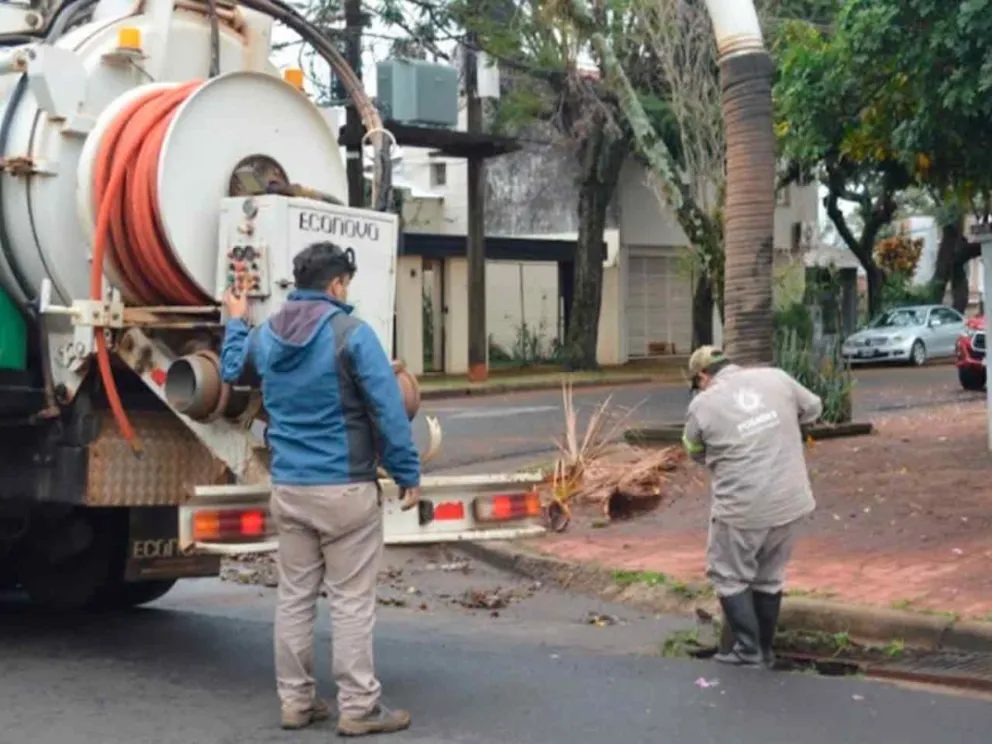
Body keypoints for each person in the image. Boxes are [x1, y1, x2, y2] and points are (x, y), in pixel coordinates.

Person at [220, 241, 420, 736]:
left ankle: (296, 702)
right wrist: (406, 471)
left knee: (294, 597)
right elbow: (388, 411)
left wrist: (235, 319)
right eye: (346, 283)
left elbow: (230, 371)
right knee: (351, 600)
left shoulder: (265, 336)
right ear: (336, 285)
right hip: (345, 490)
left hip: (289, 487)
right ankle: (358, 707)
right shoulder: (351, 335)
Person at [681, 346, 822, 668]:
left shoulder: (703, 404)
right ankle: (765, 649)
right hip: (791, 500)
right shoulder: (776, 378)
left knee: (728, 575)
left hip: (741, 507)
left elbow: (692, 447)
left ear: (703, 376)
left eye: (697, 382)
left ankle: (748, 649)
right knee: (769, 576)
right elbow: (813, 408)